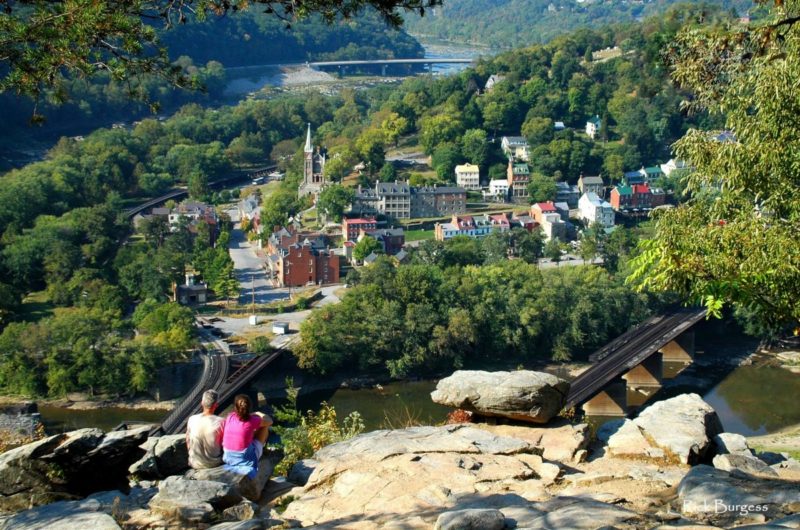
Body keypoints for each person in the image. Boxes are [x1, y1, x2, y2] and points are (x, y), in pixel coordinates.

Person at [221, 394, 272, 478]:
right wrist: (258, 413)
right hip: (244, 459)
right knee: (264, 426)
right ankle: (262, 450)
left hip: (228, 457)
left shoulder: (230, 417)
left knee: (246, 433)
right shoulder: (251, 420)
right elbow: (270, 421)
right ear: (249, 407)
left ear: (235, 407)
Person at [186, 389, 223, 469]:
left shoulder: (192, 419)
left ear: (202, 403)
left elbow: (188, 442)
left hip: (195, 463)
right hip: (214, 464)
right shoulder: (221, 422)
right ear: (216, 405)